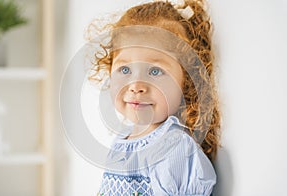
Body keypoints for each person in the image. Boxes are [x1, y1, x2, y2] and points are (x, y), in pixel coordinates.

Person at [88, 0, 221, 195]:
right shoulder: (122, 140)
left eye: (155, 71)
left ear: (187, 80)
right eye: (125, 69)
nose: (136, 86)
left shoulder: (174, 149)